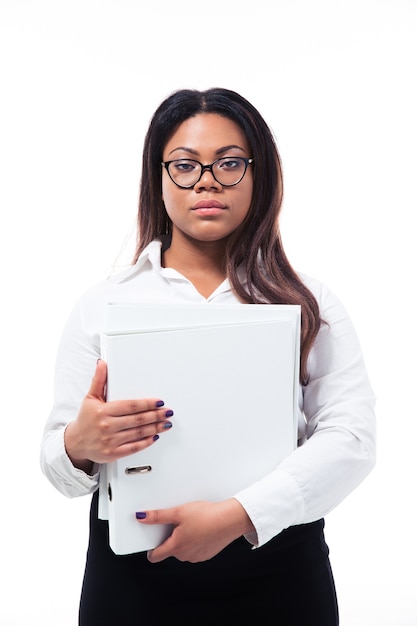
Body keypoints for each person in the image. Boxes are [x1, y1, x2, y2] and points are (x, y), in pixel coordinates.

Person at [40, 87, 376, 625]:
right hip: (134, 576)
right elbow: (58, 466)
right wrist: (79, 446)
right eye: (185, 165)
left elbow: (351, 438)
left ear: (258, 173)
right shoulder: (104, 303)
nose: (207, 181)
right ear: (158, 176)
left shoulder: (306, 302)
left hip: (278, 567)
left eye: (230, 163)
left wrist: (238, 516)